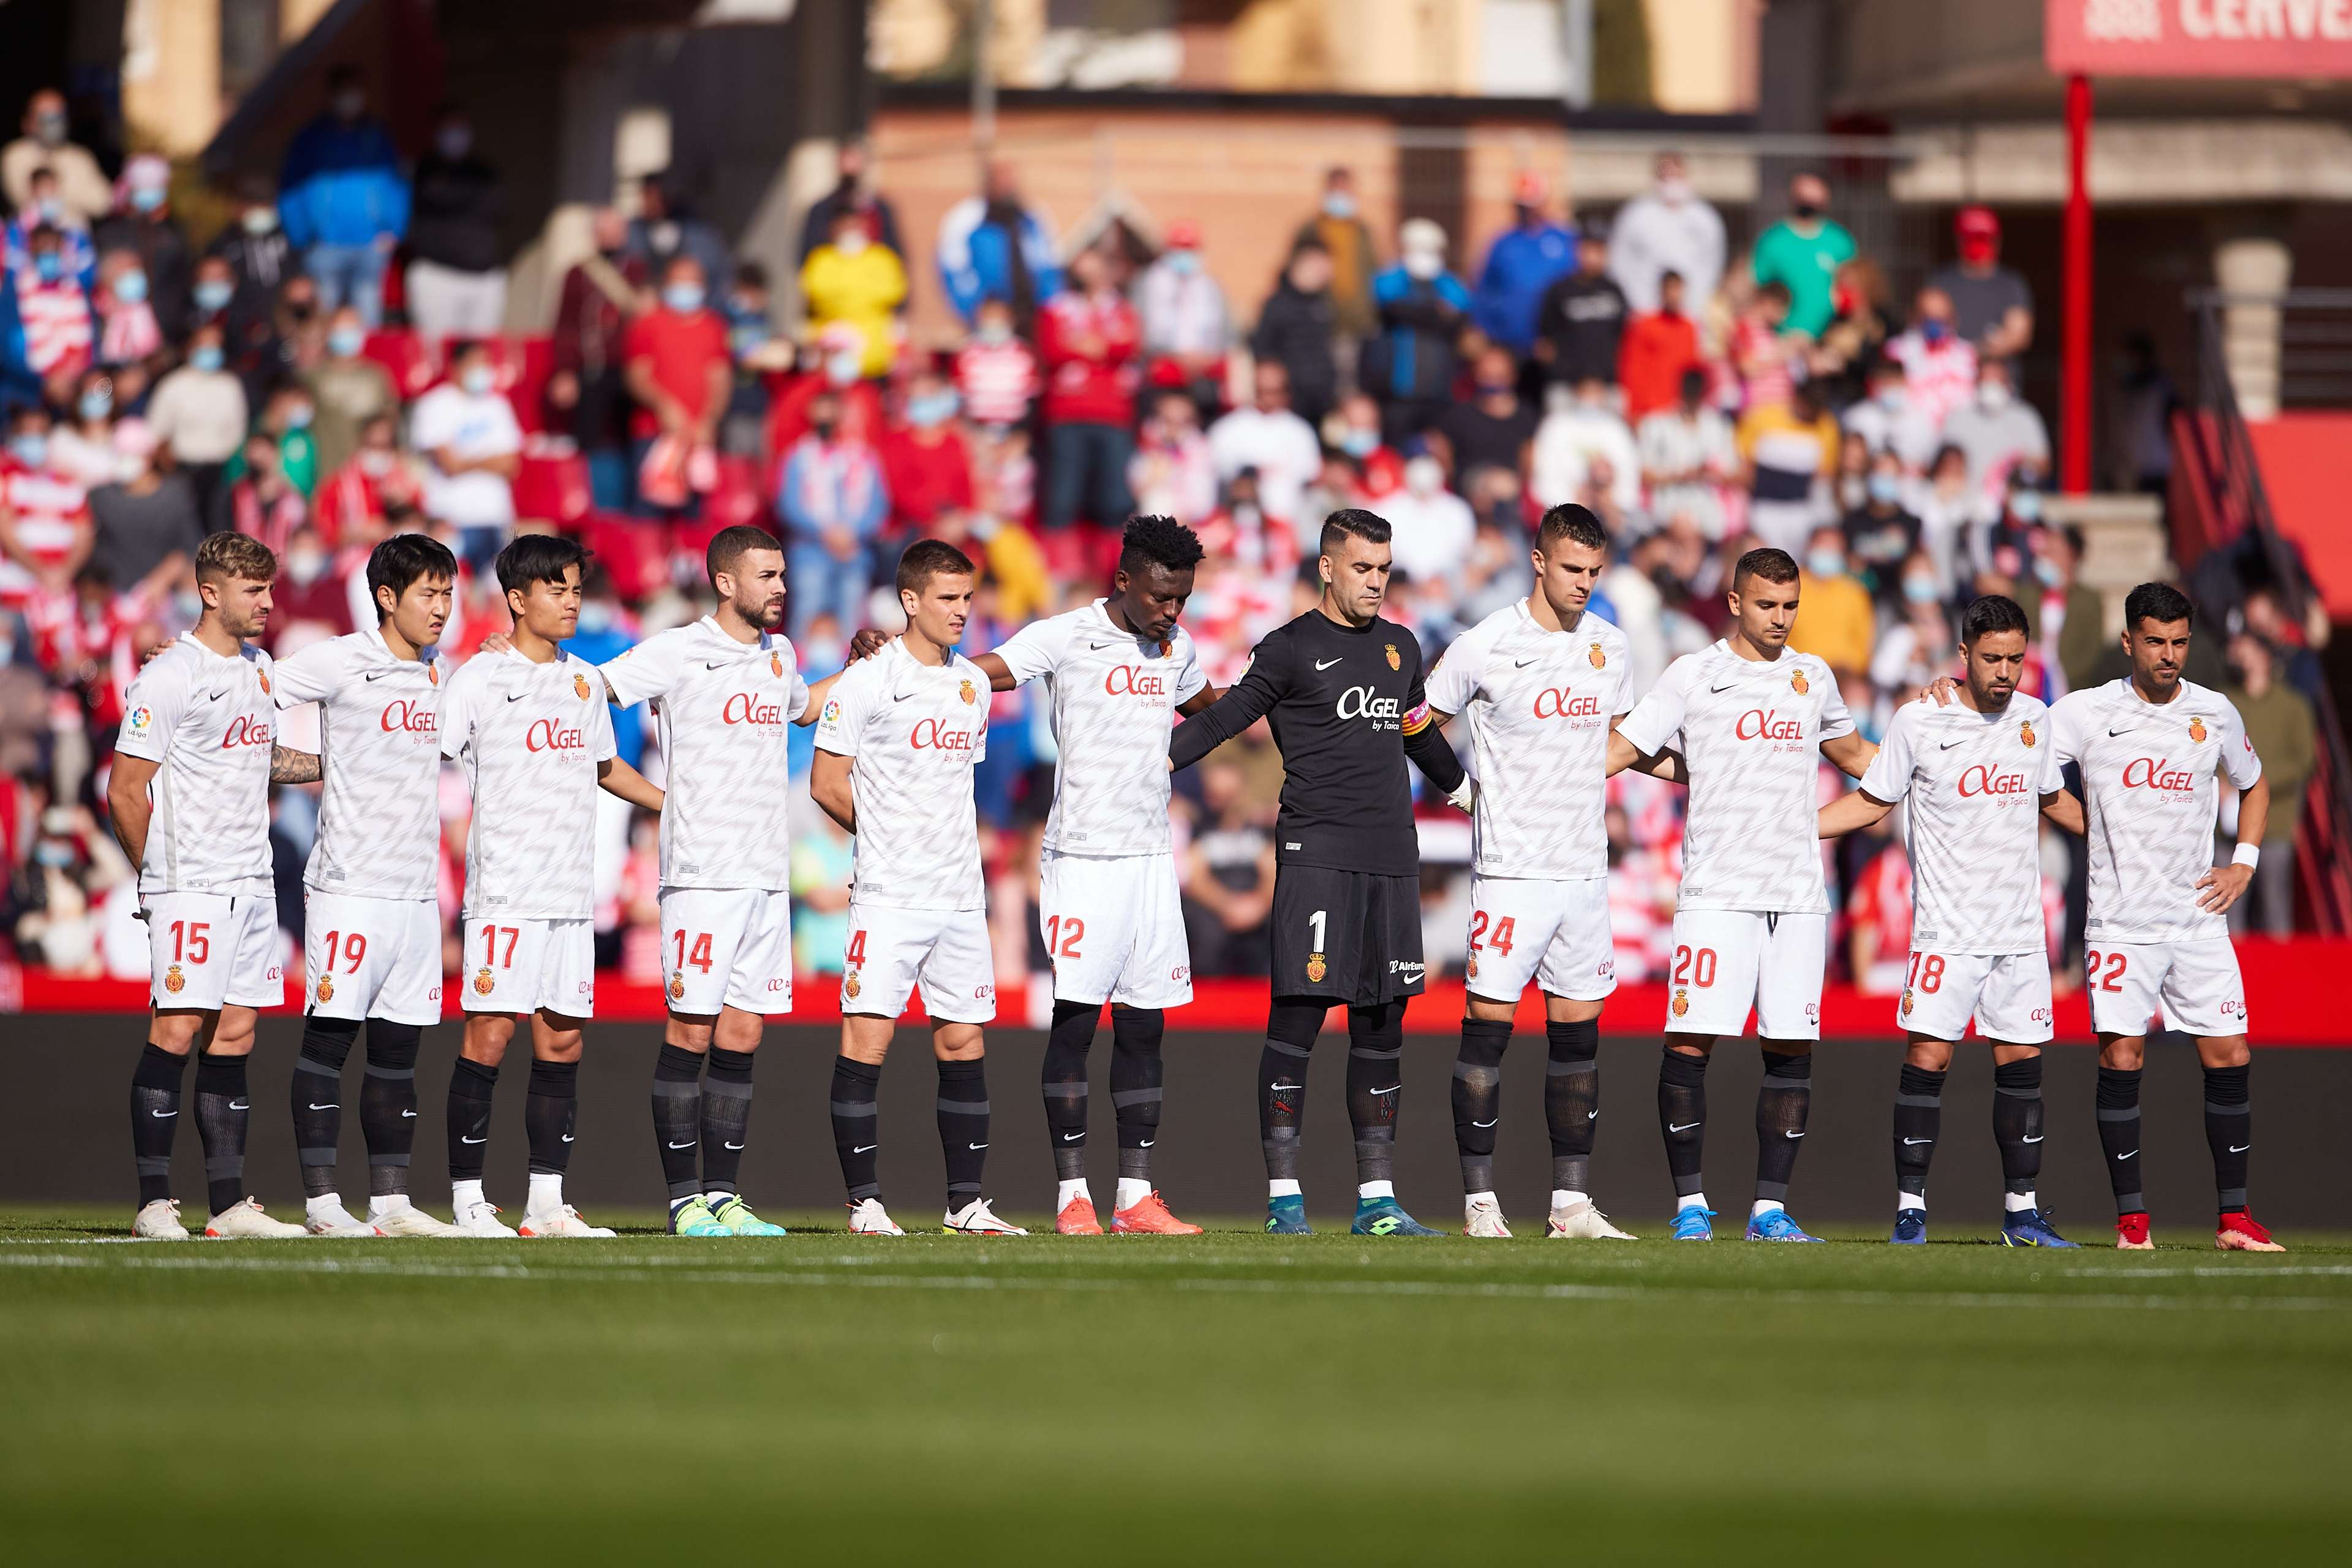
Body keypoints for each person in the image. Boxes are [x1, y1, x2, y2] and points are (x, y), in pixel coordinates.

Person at [1167, 509, 1473, 1237]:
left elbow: (1418, 731)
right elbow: (1228, 717)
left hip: (1390, 858)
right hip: (1316, 857)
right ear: (1329, 567)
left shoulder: (1401, 648)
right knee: (1298, 1020)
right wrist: (1155, 759)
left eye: (1384, 569)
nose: (1376, 581)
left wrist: (1465, 793)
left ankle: (1376, 1201)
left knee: (1381, 1024)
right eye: (1363, 567)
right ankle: (1284, 1199)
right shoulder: (1291, 647)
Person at [954, 516, 1221, 1235]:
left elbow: (1211, 711)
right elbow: (985, 673)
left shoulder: (1178, 645)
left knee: (1145, 1029)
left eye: (1184, 599)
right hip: (1081, 860)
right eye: (1162, 597)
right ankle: (1072, 1194)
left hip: (1150, 863)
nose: (1173, 612)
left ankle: (1134, 1197)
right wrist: (908, 666)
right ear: (1125, 580)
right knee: (1075, 1026)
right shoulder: (1065, 634)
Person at [1607, 546, 1879, 1242]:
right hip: (1717, 890)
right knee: (1691, 1041)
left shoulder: (1812, 677)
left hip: (1795, 893)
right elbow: (1629, 745)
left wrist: (1935, 744)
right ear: (1734, 602)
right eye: (1766, 604)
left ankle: (1769, 1211)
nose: (1780, 618)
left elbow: (1860, 763)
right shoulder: (1695, 673)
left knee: (1791, 1049)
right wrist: (1547, 772)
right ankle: (1691, 1205)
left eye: (1790, 606)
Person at [598, 526, 844, 1236]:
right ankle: (682, 1203)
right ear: (727, 581)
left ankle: (723, 1199)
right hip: (702, 877)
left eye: (783, 575)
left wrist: (862, 669)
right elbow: (597, 691)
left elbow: (801, 705)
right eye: (767, 576)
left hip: (767, 877)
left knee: (743, 1032)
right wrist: (656, 799)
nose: (782, 588)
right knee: (692, 1028)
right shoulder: (676, 650)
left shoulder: (780, 655)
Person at [1820, 595, 2084, 1245]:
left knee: (2022, 1064)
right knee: (1929, 1058)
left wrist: (2127, 835)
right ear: (1963, 655)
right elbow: (1870, 803)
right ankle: (1911, 1208)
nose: (2004, 671)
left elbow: (2056, 801)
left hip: (2020, 933)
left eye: (2016, 659)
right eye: (1992, 658)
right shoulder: (1919, 720)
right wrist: (1793, 831)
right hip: (1947, 932)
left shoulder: (2035, 720)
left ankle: (2022, 1212)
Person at [1417, 505, 1647, 1240]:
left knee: (1578, 1039)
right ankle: (1480, 1202)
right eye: (1571, 568)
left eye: (1593, 571)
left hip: (1583, 873)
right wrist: (1458, 790)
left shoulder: (1611, 646)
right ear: (1539, 562)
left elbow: (1629, 742)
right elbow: (1414, 717)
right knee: (1488, 1033)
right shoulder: (1486, 643)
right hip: (1511, 873)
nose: (1583, 583)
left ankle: (1570, 1206)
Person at [2041, 583, 2280, 1251]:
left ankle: (2234, 1217)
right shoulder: (2087, 713)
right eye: (2155, 641)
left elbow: (2254, 782)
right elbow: (2027, 759)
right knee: (2122, 1056)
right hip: (2119, 921)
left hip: (2198, 917)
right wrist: (2089, 823)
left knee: (2230, 1052)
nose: (2168, 655)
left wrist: (2245, 863)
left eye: (2178, 642)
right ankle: (2132, 1221)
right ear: (2128, 642)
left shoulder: (2216, 713)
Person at [437, 534, 663, 1238]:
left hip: (570, 894)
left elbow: (607, 767)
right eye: (557, 589)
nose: (571, 601)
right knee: (490, 1037)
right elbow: (430, 767)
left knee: (562, 1043)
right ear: (517, 598)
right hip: (505, 890)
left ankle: (545, 1202)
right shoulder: (476, 679)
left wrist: (677, 805)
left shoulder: (584, 681)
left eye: (575, 589)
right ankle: (468, 1198)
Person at [810, 540, 1025, 1235]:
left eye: (968, 598)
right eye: (948, 599)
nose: (963, 612)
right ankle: (863, 1203)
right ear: (910, 601)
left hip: (960, 895)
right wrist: (881, 842)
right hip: (890, 894)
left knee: (964, 1042)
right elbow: (826, 782)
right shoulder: (870, 679)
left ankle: (965, 1203)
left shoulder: (971, 687)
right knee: (867, 1039)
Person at [263, 533, 466, 1237]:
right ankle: (322, 1204)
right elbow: (242, 696)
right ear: (387, 597)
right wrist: (284, 767)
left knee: (399, 1053)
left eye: (448, 593)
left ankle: (391, 1203)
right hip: (349, 884)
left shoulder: (447, 673)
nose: (442, 608)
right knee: (329, 1041)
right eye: (428, 594)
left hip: (415, 891)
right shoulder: (340, 660)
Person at [108, 532, 305, 1239]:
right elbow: (126, 790)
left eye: (270, 588)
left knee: (237, 1033)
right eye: (254, 590)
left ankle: (228, 1206)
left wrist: (340, 757)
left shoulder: (260, 668)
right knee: (177, 1025)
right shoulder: (169, 675)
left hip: (252, 879)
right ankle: (155, 1202)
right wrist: (157, 878)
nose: (268, 602)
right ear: (211, 592)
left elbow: (259, 756)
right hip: (190, 880)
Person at [277, 67, 409, 326]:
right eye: (344, 91)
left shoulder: (376, 137)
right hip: (324, 244)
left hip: (371, 243)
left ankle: (365, 366)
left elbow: (396, 185)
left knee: (368, 312)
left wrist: (394, 230)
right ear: (332, 95)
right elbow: (291, 189)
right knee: (324, 315)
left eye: (355, 91)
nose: (350, 98)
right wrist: (302, 235)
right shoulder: (311, 138)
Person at [1036, 246, 1140, 531]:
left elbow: (1128, 346)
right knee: (1063, 498)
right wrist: (1102, 347)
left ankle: (1113, 569)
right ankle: (1062, 570)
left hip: (1113, 415)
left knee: (1115, 500)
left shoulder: (1122, 310)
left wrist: (1088, 345)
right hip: (1067, 414)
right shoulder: (1056, 308)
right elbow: (1052, 350)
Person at [548, 206, 644, 511]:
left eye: (616, 230)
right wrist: (564, 372)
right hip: (591, 372)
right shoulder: (578, 273)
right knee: (596, 445)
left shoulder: (638, 271)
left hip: (630, 374)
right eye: (605, 230)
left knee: (628, 442)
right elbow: (564, 325)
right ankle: (601, 512)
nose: (611, 237)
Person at [2222, 633, 2313, 940]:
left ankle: (2283, 982)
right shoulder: (2224, 703)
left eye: (2245, 648)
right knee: (2226, 910)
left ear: (2264, 656)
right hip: (2227, 827)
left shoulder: (2293, 705)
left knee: (2276, 909)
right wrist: (2222, 785)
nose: (2237, 655)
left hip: (2275, 824)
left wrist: (2253, 780)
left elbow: (2303, 760)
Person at [622, 255, 730, 511]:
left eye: (691, 281)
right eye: (679, 281)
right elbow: (637, 377)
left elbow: (720, 380)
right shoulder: (647, 324)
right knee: (648, 516)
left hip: (698, 438)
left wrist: (709, 420)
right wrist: (664, 407)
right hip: (654, 435)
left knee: (694, 519)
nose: (685, 287)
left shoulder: (714, 327)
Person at [778, 389, 887, 636]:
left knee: (852, 626)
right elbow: (789, 505)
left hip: (854, 554)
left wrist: (851, 534)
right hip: (811, 554)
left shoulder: (865, 457)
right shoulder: (799, 457)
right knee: (807, 620)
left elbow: (878, 506)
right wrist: (825, 533)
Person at [409, 339, 521, 572]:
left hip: (494, 517)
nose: (483, 369)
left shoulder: (498, 404)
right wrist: (490, 459)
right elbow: (450, 465)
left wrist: (466, 459)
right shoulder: (435, 405)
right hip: (451, 517)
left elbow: (511, 465)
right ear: (456, 367)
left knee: (495, 594)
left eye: (486, 363)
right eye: (476, 363)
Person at [404, 104, 507, 343]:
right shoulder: (424, 169)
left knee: (478, 357)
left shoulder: (484, 171)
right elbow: (428, 198)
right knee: (436, 353)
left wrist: (448, 197)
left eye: (460, 127)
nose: (455, 135)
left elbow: (498, 206)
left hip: (483, 277)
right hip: (436, 275)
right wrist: (463, 199)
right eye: (449, 128)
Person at [1368, 219, 1470, 443]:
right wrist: (1435, 313)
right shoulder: (1393, 279)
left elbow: (1462, 305)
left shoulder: (1446, 283)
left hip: (1438, 390)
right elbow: (1389, 301)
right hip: (1400, 392)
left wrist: (1421, 313)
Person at [144, 321, 246, 532]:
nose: (210, 351)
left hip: (219, 471)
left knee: (217, 530)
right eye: (204, 345)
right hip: (182, 471)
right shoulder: (173, 385)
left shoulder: (230, 385)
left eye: (215, 346)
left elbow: (237, 431)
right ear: (190, 348)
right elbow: (156, 431)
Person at [936, 160, 1061, 328]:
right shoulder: (967, 218)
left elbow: (1049, 263)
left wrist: (1048, 305)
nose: (1006, 186)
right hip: (989, 315)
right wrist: (973, 306)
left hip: (1031, 312)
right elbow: (953, 267)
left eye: (1010, 181)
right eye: (1000, 181)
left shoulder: (1031, 217)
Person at [87, 423, 202, 600]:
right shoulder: (100, 496)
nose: (124, 461)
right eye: (119, 455)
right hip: (110, 597)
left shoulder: (175, 495)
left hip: (161, 598)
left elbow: (187, 546)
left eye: (130, 455)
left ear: (149, 458)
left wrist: (158, 582)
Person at [1207, 359, 1322, 533]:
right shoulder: (1226, 429)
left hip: (1286, 527)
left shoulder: (1301, 432)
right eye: (1263, 391)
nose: (1269, 397)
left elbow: (1310, 477)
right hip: (1237, 529)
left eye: (1275, 391)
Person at [1471, 172, 1577, 356]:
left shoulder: (1565, 240)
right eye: (1523, 206)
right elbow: (1485, 290)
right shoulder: (1503, 243)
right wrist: (1484, 331)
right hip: (1510, 344)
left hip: (1557, 344)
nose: (1528, 212)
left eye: (1532, 206)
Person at [1609, 151, 1726, 319]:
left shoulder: (1704, 216)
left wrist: (1696, 300)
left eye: (1676, 174)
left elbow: (1713, 262)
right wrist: (1638, 302)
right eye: (1665, 175)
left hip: (1690, 311)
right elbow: (1620, 261)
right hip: (1645, 310)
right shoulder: (1635, 214)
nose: (1671, 181)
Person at [94, 155, 192, 344]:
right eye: (143, 188)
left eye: (154, 187)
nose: (149, 193)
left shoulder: (174, 232)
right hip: (116, 329)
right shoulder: (110, 231)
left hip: (165, 328)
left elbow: (181, 279)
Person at [0, 404, 92, 605]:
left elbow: (83, 535)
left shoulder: (69, 484)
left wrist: (63, 573)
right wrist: (41, 571)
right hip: (12, 594)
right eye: (27, 433)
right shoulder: (7, 480)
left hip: (55, 598)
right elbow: (5, 531)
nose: (34, 440)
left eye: (39, 433)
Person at [800, 208, 907, 380]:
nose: (850, 230)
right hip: (829, 352)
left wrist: (845, 292)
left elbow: (892, 293)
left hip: (874, 353)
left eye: (854, 225)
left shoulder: (882, 259)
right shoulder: (820, 259)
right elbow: (818, 293)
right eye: (844, 225)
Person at [1136, 219, 1230, 409]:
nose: (1184, 256)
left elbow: (1225, 333)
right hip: (1162, 374)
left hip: (1203, 375)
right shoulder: (1149, 284)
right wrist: (1178, 357)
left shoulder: (1210, 287)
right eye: (1179, 249)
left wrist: (1204, 357)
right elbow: (1141, 331)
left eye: (1189, 250)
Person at [1749, 173, 1855, 341]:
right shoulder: (1772, 241)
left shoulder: (1840, 242)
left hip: (1828, 340)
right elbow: (1758, 288)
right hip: (1781, 340)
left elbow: (1852, 289)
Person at [1927, 206, 2033, 368]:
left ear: (1997, 241)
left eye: (1983, 239)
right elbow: (1929, 327)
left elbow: (2019, 335)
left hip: (1996, 380)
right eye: (1971, 239)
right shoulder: (1941, 281)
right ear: (1959, 240)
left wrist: (1972, 352)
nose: (1977, 246)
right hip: (1949, 377)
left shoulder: (2010, 284)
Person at [1637, 366, 1736, 540]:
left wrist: (1707, 473)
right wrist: (1679, 475)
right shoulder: (1657, 424)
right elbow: (1645, 474)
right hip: (1667, 507)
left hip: (1706, 508)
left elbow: (1734, 473)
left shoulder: (1718, 426)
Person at [303, 305, 399, 481]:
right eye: (341, 329)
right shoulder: (312, 377)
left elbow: (390, 423)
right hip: (328, 476)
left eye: (353, 329)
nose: (347, 335)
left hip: (370, 478)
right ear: (328, 332)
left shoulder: (377, 376)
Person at [1251, 240, 1338, 428]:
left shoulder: (1323, 304)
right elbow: (1263, 346)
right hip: (1292, 394)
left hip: (1322, 393)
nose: (1325, 272)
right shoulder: (1277, 304)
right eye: (1318, 265)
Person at [1532, 216, 1626, 390]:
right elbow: (1544, 345)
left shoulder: (1615, 291)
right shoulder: (1559, 291)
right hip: (1567, 387)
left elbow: (1624, 339)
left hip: (1607, 386)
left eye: (1598, 248)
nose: (1592, 255)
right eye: (1588, 248)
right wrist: (1563, 373)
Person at [1940, 358, 2049, 502]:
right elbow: (1943, 464)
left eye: (1996, 381)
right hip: (1965, 504)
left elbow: (2043, 465)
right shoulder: (1958, 417)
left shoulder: (2025, 417)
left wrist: (2018, 462)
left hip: (2010, 507)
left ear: (2008, 384)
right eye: (1986, 381)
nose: (1991, 387)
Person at [1294, 165, 1381, 342]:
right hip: (1321, 313)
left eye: (1345, 189)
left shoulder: (1362, 231)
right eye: (1336, 189)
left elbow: (1374, 268)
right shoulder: (1312, 229)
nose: (1341, 195)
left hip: (1359, 317)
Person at [880, 369, 973, 533]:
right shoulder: (895, 443)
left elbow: (966, 489)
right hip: (911, 530)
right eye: (917, 399)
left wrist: (960, 518)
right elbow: (900, 494)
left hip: (954, 527)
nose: (923, 403)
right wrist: (936, 520)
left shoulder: (954, 442)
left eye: (928, 396)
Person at [1534, 374, 1638, 515]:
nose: (1590, 399)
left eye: (1595, 392)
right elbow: (1544, 476)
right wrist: (1571, 501)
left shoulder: (1617, 428)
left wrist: (1611, 501)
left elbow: (1629, 476)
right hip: (1565, 512)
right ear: (1575, 393)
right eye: (1586, 392)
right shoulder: (1555, 425)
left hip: (1611, 511)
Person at [3, 89, 111, 225]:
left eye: (58, 116)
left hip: (75, 240)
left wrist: (53, 192)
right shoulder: (15, 154)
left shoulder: (80, 157)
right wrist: (76, 193)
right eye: (45, 117)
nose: (53, 123)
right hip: (31, 240)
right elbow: (24, 198)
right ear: (28, 122)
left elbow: (103, 203)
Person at [1436, 344, 1537, 489]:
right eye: (1487, 377)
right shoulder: (1459, 416)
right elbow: (1443, 455)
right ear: (1476, 375)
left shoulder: (1526, 417)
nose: (1493, 385)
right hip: (1470, 486)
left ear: (1513, 376)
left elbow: (1529, 465)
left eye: (1499, 378)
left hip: (1512, 490)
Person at [1885, 285, 1979, 434]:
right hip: (1911, 433)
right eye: (1928, 317)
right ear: (1915, 317)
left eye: (1941, 318)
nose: (1934, 324)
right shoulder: (1896, 350)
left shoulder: (1967, 354)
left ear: (1952, 319)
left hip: (1957, 435)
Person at [1617, 269, 1703, 426]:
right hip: (1651, 412)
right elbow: (1632, 370)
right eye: (1670, 289)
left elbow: (1691, 371)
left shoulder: (1690, 328)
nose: (1674, 294)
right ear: (1661, 291)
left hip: (1679, 413)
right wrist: (1634, 411)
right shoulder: (1644, 325)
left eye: (1677, 289)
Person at [797, 138, 902, 266]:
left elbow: (895, 253)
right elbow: (807, 254)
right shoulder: (821, 210)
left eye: (855, 161)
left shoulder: (879, 209)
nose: (850, 168)